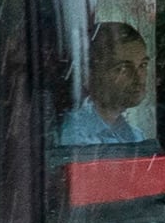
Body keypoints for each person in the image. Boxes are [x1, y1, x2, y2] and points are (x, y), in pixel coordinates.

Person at [60, 19, 157, 149]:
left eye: (143, 65)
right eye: (123, 68)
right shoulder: (73, 137)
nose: (139, 78)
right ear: (88, 75)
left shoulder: (134, 135)